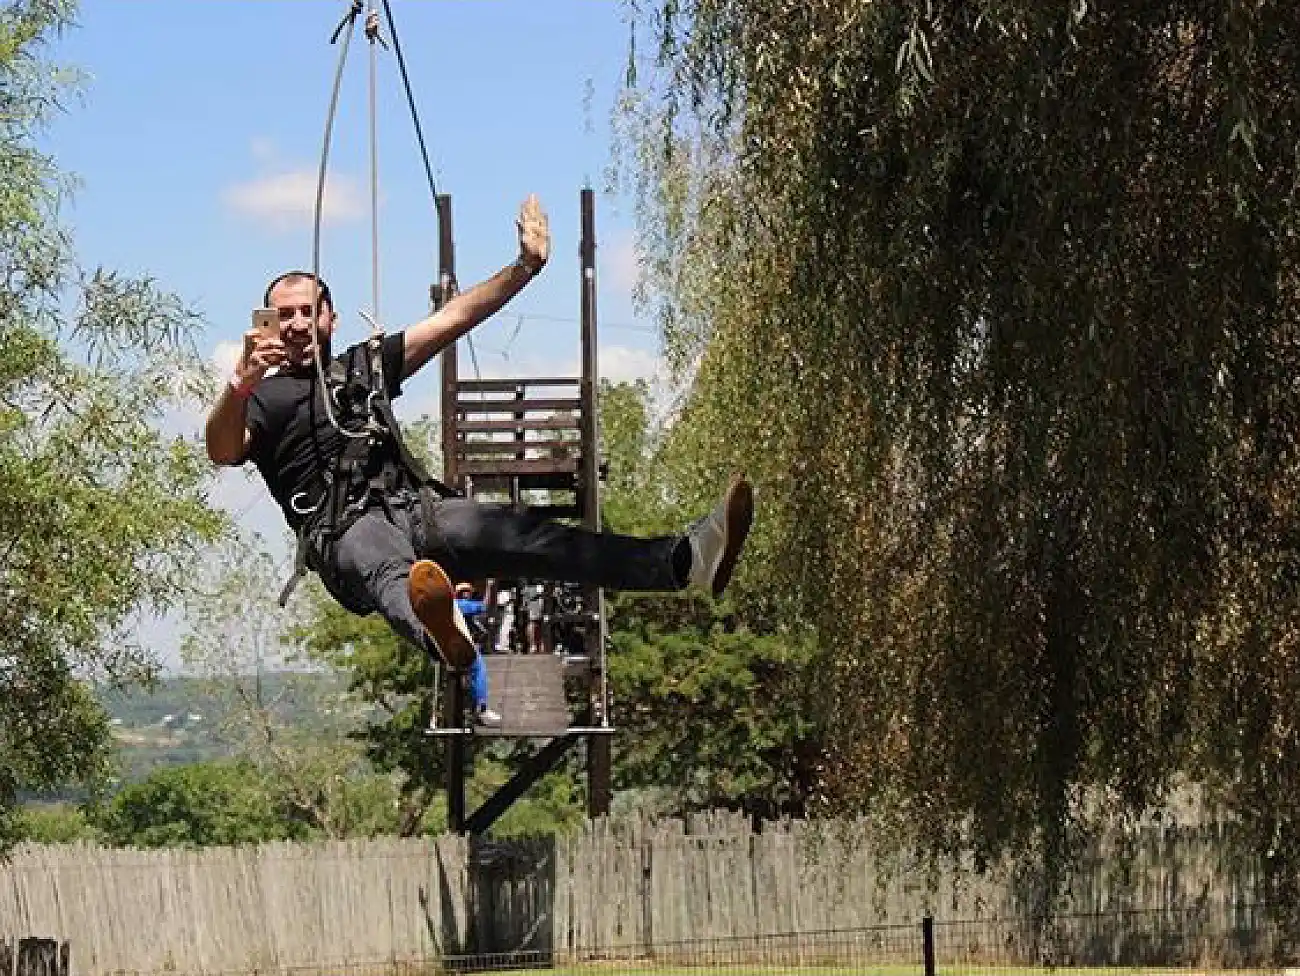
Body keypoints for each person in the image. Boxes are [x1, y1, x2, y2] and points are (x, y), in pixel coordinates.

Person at [204, 194, 753, 687]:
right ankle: (446, 638)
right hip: (345, 531)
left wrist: (524, 270)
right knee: (386, 566)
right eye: (286, 315)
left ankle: (683, 562)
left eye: (309, 311)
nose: (299, 323)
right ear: (268, 324)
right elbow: (223, 449)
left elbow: (453, 318)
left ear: (330, 317)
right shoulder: (260, 396)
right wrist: (241, 380)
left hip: (416, 509)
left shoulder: (363, 367)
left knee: (533, 539)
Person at [453, 582, 501, 728]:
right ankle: (481, 708)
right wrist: (490, 587)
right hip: (463, 647)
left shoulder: (457, 605)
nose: (467, 594)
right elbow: (484, 607)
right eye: (464, 591)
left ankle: (471, 709)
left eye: (468, 591)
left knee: (470, 677)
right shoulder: (461, 605)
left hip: (457, 646)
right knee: (479, 669)